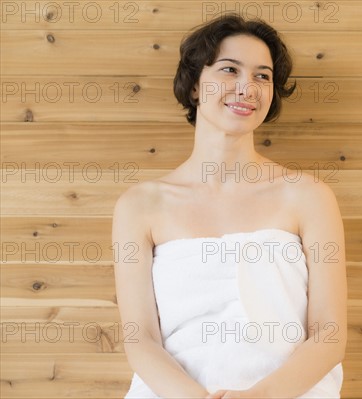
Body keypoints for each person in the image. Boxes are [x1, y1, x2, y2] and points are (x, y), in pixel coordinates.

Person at [112, 12, 347, 399]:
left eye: (262, 76)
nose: (247, 87)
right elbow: (141, 340)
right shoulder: (140, 206)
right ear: (194, 87)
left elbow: (329, 334)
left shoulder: (308, 196)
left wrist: (260, 397)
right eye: (229, 70)